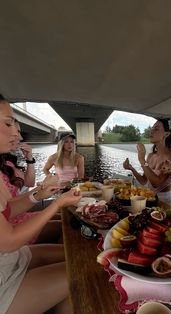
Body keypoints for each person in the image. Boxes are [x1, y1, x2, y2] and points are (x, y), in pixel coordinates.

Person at [0, 95, 82, 314]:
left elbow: (6, 210)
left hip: (9, 259)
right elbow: (8, 241)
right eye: (8, 123)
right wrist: (57, 204)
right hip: (3, 276)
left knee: (77, 257)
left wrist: (39, 193)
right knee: (82, 273)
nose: (17, 132)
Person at [123, 119, 171, 207]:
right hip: (151, 198)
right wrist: (131, 168)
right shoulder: (150, 156)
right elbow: (143, 180)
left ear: (166, 134)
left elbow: (157, 184)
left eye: (156, 129)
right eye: (152, 128)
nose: (151, 131)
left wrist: (142, 160)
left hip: (166, 200)